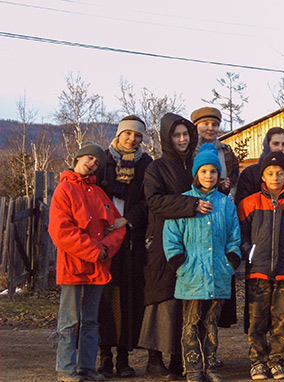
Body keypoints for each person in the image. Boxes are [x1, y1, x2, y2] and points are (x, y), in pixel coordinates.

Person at [163, 143, 241, 382]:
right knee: (191, 323)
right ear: (196, 173)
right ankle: (193, 368)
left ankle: (210, 366)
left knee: (211, 323)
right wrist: (181, 266)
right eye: (204, 171)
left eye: (214, 172)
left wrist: (229, 264)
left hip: (218, 273)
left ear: (219, 175)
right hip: (191, 276)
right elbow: (172, 238)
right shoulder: (184, 202)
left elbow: (234, 237)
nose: (209, 176)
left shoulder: (226, 204)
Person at [139, 113, 209, 379]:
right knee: (161, 299)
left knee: (187, 301)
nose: (182, 139)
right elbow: (154, 201)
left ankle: (180, 359)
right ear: (168, 138)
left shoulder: (195, 165)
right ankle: (154, 360)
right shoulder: (156, 168)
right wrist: (190, 205)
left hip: (193, 243)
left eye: (186, 135)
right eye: (176, 135)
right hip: (161, 241)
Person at [49, 143, 126, 382]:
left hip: (98, 268)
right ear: (78, 158)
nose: (91, 163)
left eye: (96, 161)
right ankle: (66, 369)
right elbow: (61, 231)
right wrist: (95, 250)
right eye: (89, 158)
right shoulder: (64, 190)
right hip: (74, 266)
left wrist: (106, 249)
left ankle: (87, 368)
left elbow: (117, 226)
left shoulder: (100, 194)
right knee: (69, 321)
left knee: (91, 321)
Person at [237, 151, 284, 380]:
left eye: (279, 173)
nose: (275, 177)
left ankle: (277, 361)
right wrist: (249, 253)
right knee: (257, 321)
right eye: (270, 173)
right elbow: (239, 233)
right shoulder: (248, 203)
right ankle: (257, 361)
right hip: (258, 272)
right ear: (263, 176)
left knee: (281, 321)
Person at [96, 115, 153, 378]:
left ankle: (123, 358)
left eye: (137, 135)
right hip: (103, 238)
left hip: (131, 240)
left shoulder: (146, 164)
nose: (132, 139)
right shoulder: (103, 162)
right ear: (119, 135)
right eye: (128, 134)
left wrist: (127, 220)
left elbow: (148, 200)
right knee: (105, 300)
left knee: (128, 299)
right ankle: (104, 357)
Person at [235, 127, 284, 206]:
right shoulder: (250, 174)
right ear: (267, 145)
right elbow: (242, 206)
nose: (280, 148)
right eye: (275, 144)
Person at [191, 106, 240, 198]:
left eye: (214, 125)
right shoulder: (189, 152)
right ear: (196, 127)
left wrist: (226, 186)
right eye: (205, 124)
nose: (210, 128)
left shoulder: (226, 152)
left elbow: (235, 181)